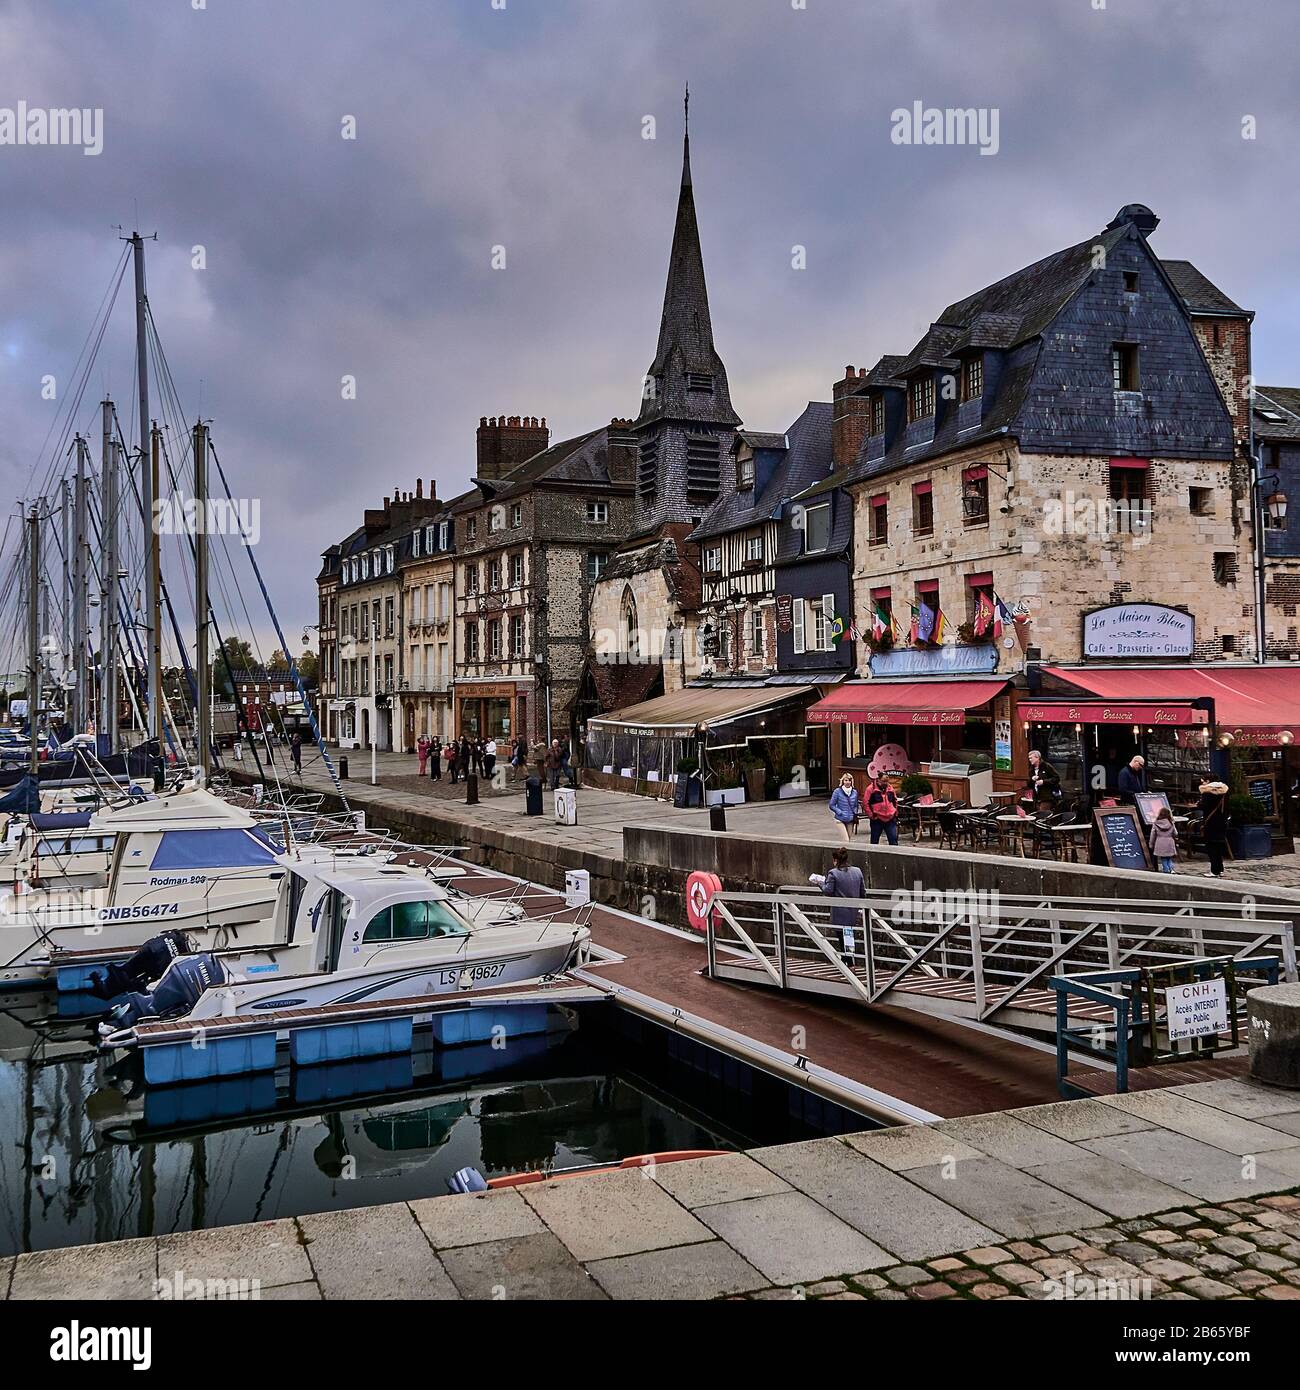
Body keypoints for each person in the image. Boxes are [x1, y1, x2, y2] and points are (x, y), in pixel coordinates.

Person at [810, 846, 866, 960]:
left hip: (840, 912)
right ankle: (850, 962)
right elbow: (863, 892)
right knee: (849, 936)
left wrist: (819, 883)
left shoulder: (833, 873)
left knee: (842, 938)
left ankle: (849, 963)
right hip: (853, 911)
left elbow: (828, 890)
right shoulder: (857, 871)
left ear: (835, 860)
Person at [1197, 779, 1230, 878]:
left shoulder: (1208, 793)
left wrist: (1199, 804)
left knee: (1212, 848)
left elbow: (1204, 806)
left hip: (1211, 824)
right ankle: (1220, 869)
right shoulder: (1224, 792)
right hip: (1222, 823)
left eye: (1203, 781)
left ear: (1208, 781)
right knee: (1219, 847)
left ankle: (1214, 870)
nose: (1202, 783)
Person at [864, 773, 900, 845]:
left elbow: (895, 801)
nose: (886, 783)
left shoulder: (890, 788)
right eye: (884, 781)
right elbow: (865, 803)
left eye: (887, 781)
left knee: (893, 841)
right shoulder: (871, 789)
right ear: (878, 780)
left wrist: (895, 813)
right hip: (877, 819)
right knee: (874, 841)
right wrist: (872, 815)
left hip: (890, 818)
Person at [828, 773, 861, 843]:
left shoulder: (854, 792)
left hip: (850, 819)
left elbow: (855, 805)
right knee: (845, 840)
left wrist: (854, 813)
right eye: (846, 780)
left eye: (849, 780)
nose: (847, 782)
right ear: (842, 781)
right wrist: (839, 812)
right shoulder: (837, 791)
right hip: (840, 819)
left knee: (849, 840)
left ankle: (843, 853)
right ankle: (841, 853)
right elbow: (831, 805)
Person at [1149, 805, 1178, 873]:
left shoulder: (1156, 823)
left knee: (1163, 858)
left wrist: (1151, 844)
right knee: (1169, 857)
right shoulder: (1171, 823)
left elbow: (1152, 835)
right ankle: (1171, 869)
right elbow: (1176, 833)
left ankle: (1166, 870)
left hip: (1160, 842)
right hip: (1169, 842)